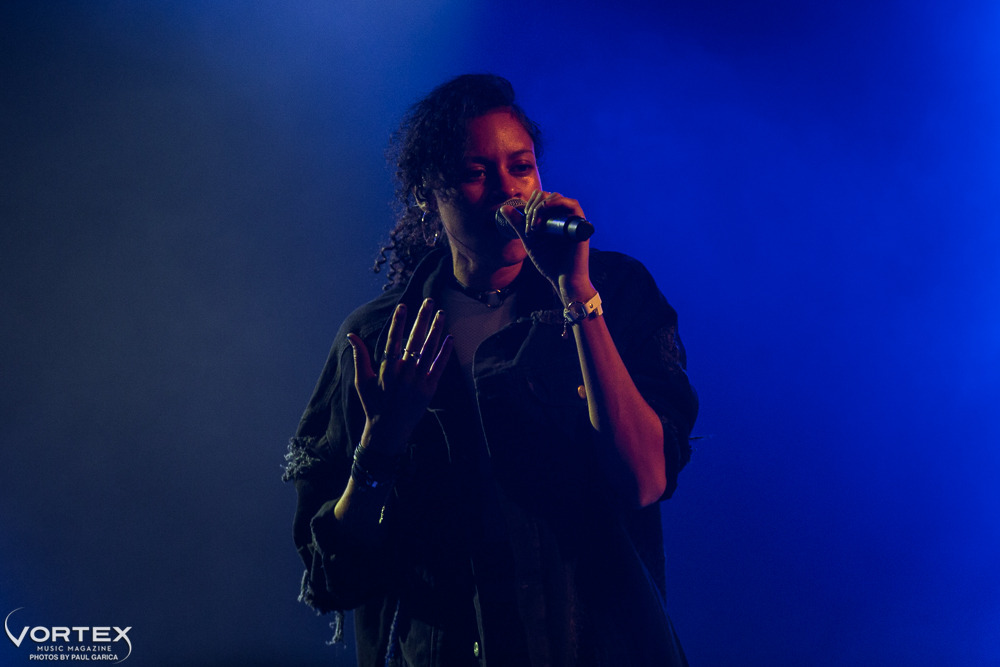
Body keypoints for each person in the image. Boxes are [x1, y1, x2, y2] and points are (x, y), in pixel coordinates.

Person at [283, 74, 698, 666]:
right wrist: (380, 445)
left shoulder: (615, 291)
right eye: (475, 173)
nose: (508, 193)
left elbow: (645, 482)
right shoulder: (379, 337)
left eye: (521, 167)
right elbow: (334, 579)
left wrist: (577, 295)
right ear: (427, 193)